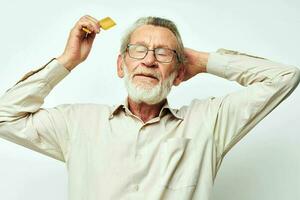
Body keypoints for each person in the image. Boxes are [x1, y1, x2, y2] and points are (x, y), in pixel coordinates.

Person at [0, 15, 299, 200]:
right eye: (138, 50)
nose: (149, 60)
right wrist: (68, 60)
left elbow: (285, 78)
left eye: (163, 54)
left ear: (180, 74)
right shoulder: (78, 123)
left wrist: (205, 60)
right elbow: (4, 117)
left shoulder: (209, 123)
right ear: (121, 65)